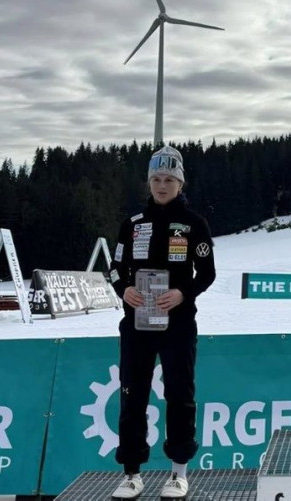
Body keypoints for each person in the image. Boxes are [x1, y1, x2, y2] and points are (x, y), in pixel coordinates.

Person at [109, 145, 216, 499]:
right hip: (137, 324)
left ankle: (178, 472)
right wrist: (124, 289)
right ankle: (131, 473)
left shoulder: (194, 224)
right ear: (149, 182)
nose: (162, 185)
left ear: (180, 184)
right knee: (132, 395)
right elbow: (115, 268)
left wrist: (183, 294)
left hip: (178, 324)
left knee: (180, 395)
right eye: (156, 179)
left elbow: (207, 273)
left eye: (169, 179)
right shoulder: (132, 224)